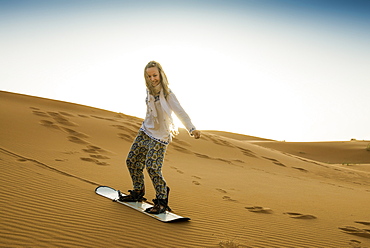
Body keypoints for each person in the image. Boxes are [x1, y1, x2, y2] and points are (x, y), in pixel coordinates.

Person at [118, 61, 201, 214]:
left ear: (161, 75)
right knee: (131, 160)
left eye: (155, 75)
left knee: (152, 167)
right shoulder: (148, 91)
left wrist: (191, 128)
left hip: (159, 136)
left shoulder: (168, 94)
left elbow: (180, 112)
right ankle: (138, 192)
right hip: (145, 131)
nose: (152, 79)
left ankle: (162, 201)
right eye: (149, 76)